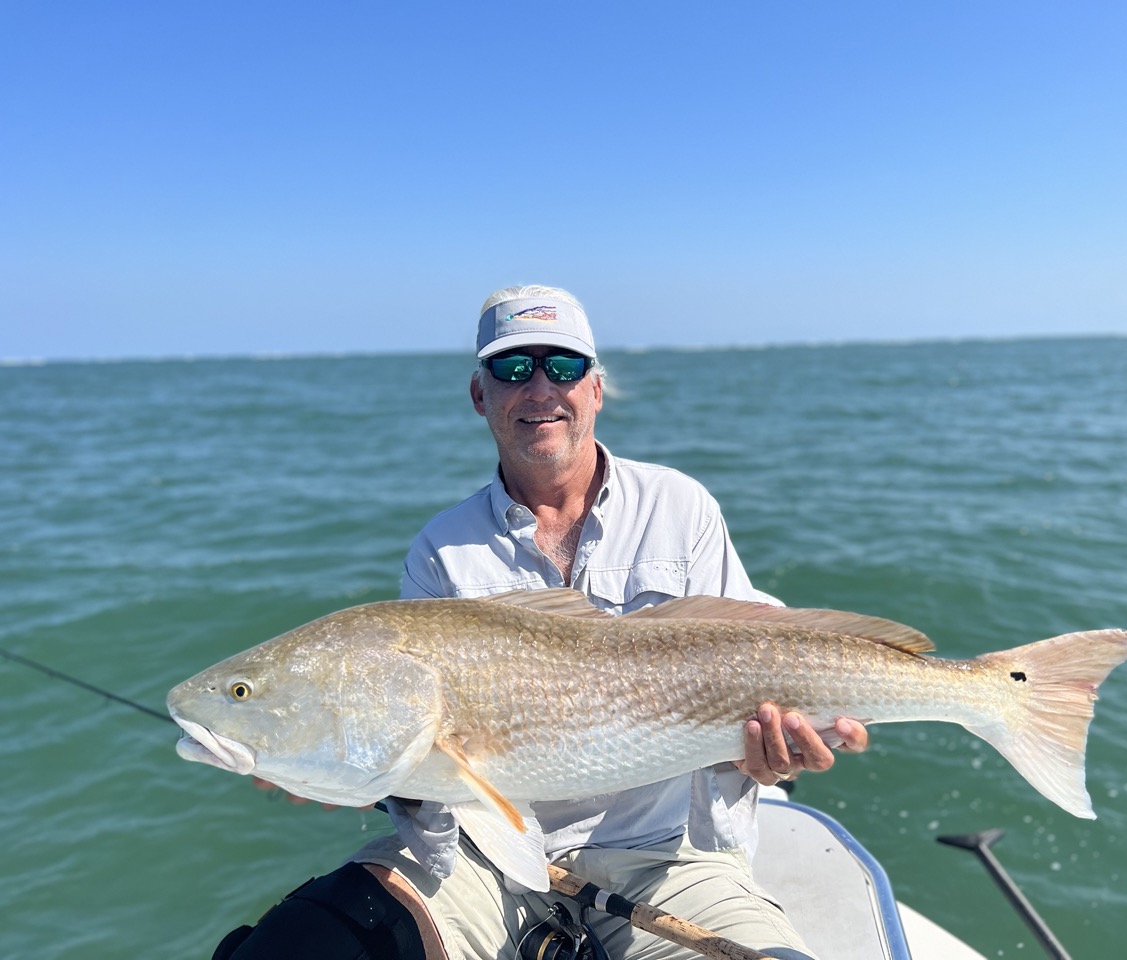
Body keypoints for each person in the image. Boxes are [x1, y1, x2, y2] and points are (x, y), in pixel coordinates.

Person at [216, 285, 868, 960]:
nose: (539, 388)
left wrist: (767, 753)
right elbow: (425, 761)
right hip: (480, 862)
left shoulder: (681, 507)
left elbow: (750, 660)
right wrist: (359, 773)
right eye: (511, 367)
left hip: (669, 859)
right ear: (480, 394)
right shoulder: (441, 549)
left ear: (595, 390)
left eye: (562, 366)